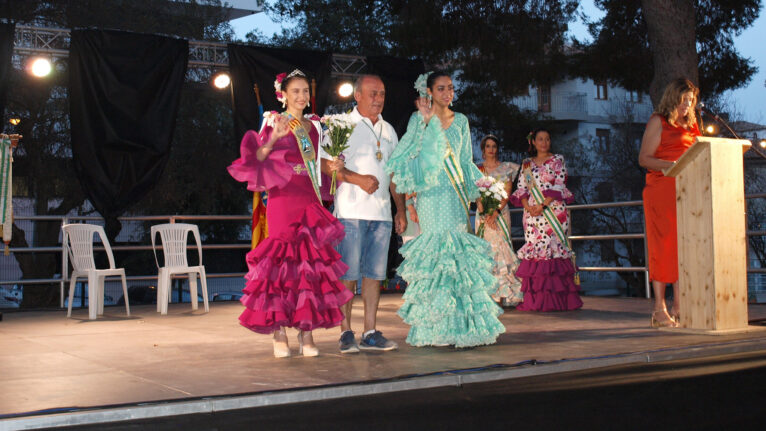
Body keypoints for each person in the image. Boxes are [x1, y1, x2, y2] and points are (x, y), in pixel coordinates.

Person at [227, 69, 352, 358]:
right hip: (283, 199)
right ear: (283, 94)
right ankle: (278, 331)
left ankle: (305, 333)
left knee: (308, 264)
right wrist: (273, 140)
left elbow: (317, 165)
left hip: (309, 199)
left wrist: (332, 166)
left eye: (305, 91)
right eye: (295, 91)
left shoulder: (317, 127)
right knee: (282, 265)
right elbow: (256, 157)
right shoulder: (274, 120)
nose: (302, 96)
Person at [387, 71, 505, 348]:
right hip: (429, 193)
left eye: (450, 88)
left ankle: (462, 326)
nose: (447, 93)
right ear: (429, 91)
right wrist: (409, 200)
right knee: (437, 254)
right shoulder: (419, 120)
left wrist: (478, 195)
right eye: (441, 88)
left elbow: (465, 161)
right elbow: (407, 157)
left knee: (457, 255)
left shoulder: (461, 120)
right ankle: (436, 326)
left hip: (455, 194)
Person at [319, 75, 407, 353]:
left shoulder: (389, 129)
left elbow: (394, 174)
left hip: (381, 214)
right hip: (350, 211)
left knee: (374, 275)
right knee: (348, 274)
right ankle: (345, 332)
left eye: (382, 93)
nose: (378, 99)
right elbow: (324, 164)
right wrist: (357, 179)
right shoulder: (341, 124)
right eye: (372, 93)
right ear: (357, 95)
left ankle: (370, 331)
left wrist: (400, 209)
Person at [638, 78, 701, 328]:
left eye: (691, 101)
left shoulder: (692, 124)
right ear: (673, 98)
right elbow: (644, 158)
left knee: (682, 246)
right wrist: (673, 166)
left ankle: (680, 304)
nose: (687, 105)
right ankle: (659, 308)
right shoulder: (658, 121)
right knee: (663, 246)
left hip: (688, 190)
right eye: (684, 100)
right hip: (662, 189)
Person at [510, 128, 583, 312]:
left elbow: (559, 184)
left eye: (547, 139)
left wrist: (542, 206)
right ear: (533, 142)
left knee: (553, 250)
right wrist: (528, 207)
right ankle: (537, 301)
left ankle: (558, 301)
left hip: (553, 211)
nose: (544, 142)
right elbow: (522, 188)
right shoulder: (526, 164)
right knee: (536, 251)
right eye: (540, 139)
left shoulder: (557, 160)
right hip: (532, 215)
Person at [475, 134, 523, 307]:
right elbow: (476, 195)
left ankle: (505, 294)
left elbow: (508, 192)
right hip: (483, 217)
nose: (491, 149)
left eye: (494, 146)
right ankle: (488, 295)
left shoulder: (506, 168)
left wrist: (494, 212)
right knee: (486, 252)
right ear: (483, 150)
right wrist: (485, 213)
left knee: (502, 250)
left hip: (500, 214)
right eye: (488, 146)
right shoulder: (478, 170)